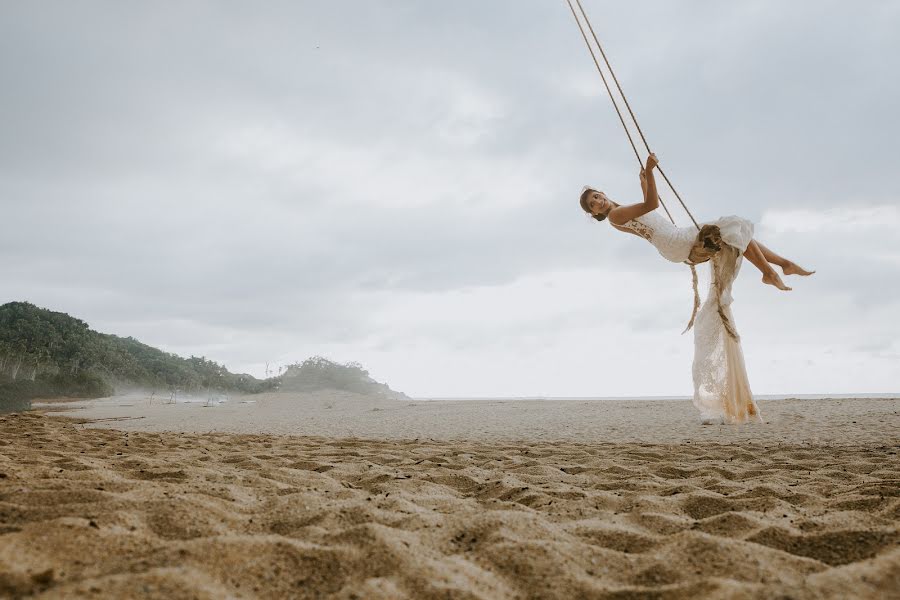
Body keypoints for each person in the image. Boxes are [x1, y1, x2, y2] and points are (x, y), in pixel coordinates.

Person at [578, 153, 814, 424]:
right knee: (733, 224)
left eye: (596, 195)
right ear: (595, 214)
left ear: (603, 193)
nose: (597, 201)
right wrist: (652, 172)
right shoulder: (616, 215)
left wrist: (645, 180)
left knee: (733, 232)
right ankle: (771, 271)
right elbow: (652, 203)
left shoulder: (620, 214)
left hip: (671, 243)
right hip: (675, 240)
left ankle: (780, 266)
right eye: (592, 203)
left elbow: (649, 211)